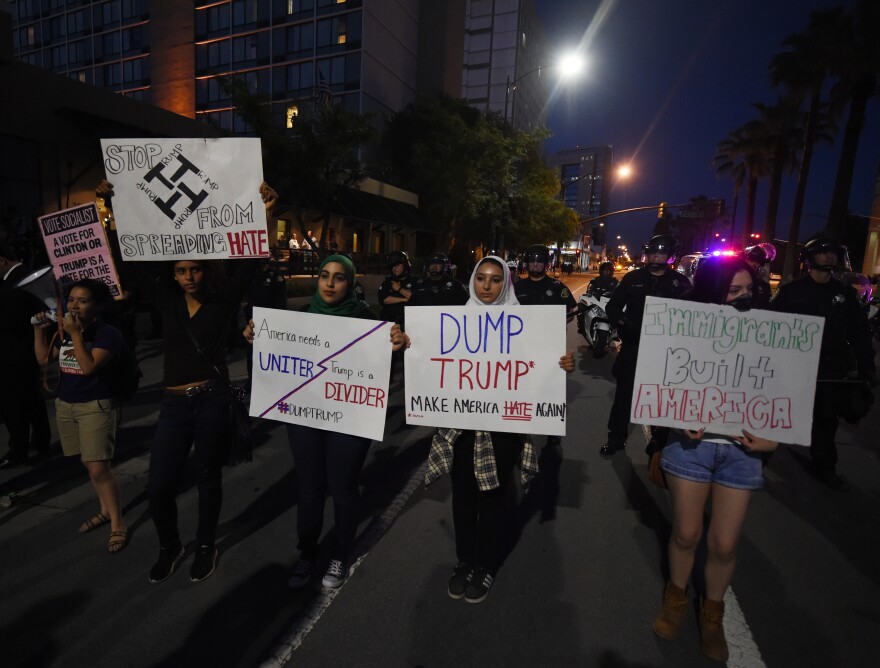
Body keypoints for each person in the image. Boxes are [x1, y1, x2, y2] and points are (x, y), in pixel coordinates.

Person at [135, 182, 276, 584]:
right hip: (174, 405)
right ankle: (169, 546)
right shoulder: (166, 301)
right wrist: (105, 202)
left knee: (207, 479)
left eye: (195, 268)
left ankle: (204, 544)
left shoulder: (223, 298)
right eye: (181, 271)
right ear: (173, 275)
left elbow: (251, 259)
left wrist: (266, 212)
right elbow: (132, 262)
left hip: (212, 398)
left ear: (206, 269)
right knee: (159, 486)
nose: (188, 276)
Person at [244, 255, 407, 589]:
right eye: (324, 276)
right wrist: (254, 335)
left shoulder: (365, 319)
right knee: (309, 487)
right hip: (305, 417)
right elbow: (274, 357)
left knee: (343, 486)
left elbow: (379, 368)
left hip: (349, 418)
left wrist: (396, 344)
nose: (330, 283)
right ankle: (307, 553)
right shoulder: (301, 318)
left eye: (339, 277)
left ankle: (339, 554)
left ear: (350, 283)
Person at [421, 257, 575, 603]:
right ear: (472, 281)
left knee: (491, 497)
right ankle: (465, 560)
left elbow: (537, 368)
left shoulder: (523, 325)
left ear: (505, 284)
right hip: (461, 424)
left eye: (494, 280)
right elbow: (427, 359)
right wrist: (404, 341)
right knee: (462, 498)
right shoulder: (451, 323)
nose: (486, 286)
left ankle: (486, 565)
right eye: (480, 278)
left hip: (503, 428)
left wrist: (561, 364)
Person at [651, 255, 778, 663]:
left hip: (742, 451)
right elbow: (659, 380)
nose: (742, 298)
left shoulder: (770, 333)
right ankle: (675, 598)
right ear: (711, 290)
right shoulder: (682, 328)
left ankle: (713, 614)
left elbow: (785, 391)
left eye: (748, 290)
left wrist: (774, 438)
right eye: (732, 290)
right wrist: (675, 418)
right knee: (687, 533)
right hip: (691, 447)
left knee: (724, 543)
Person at [769, 238, 875, 490]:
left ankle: (825, 466)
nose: (829, 257)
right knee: (777, 413)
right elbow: (770, 327)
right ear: (810, 258)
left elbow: (860, 333)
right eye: (823, 252)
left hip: (830, 367)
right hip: (795, 367)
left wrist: (866, 367)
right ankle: (759, 459)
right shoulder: (792, 292)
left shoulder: (845, 295)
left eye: (832, 253)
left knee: (826, 419)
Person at [33, 279, 128, 552]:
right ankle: (105, 509)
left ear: (97, 306)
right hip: (67, 404)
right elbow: (43, 359)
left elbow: (88, 367)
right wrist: (39, 331)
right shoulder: (63, 330)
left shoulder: (107, 334)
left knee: (100, 468)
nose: (74, 305)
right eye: (71, 299)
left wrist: (75, 334)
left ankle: (118, 523)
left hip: (94, 406)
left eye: (82, 301)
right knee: (89, 465)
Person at [601, 235, 691, 456]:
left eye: (661, 253)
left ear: (670, 256)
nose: (655, 256)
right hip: (633, 346)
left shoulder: (680, 283)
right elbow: (612, 308)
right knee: (624, 395)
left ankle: (659, 441)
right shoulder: (632, 279)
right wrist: (626, 324)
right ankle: (616, 438)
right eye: (652, 252)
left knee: (662, 398)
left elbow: (693, 315)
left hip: (667, 351)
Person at [0, 242, 51, 467]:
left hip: (16, 351)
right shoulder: (17, 277)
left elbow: (12, 317)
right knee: (30, 398)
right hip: (22, 350)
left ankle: (17, 450)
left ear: (2, 261)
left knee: (14, 402)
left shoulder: (17, 280)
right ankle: (41, 439)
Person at [513, 244, 578, 320]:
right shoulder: (516, 288)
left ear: (546, 263)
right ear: (527, 263)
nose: (535, 264)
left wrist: (556, 323)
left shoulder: (558, 288)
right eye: (532, 260)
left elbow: (570, 314)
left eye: (540, 261)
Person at [377, 250, 414, 328]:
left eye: (397, 265)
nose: (394, 268)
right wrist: (403, 299)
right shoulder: (388, 281)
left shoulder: (414, 281)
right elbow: (383, 300)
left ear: (405, 265)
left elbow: (415, 298)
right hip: (389, 322)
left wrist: (399, 289)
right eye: (392, 266)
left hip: (409, 323)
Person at [741, 243, 774, 308]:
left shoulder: (764, 286)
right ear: (745, 259)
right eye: (752, 259)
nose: (755, 263)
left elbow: (767, 307)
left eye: (759, 261)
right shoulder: (732, 279)